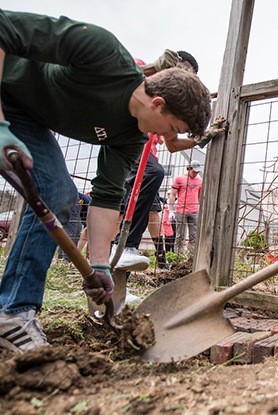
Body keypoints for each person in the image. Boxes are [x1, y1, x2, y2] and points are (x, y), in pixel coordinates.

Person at [0, 10, 211, 354]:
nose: (170, 138)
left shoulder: (132, 137)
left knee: (58, 195)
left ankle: (13, 312)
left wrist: (98, 264)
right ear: (158, 104)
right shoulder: (102, 53)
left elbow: (107, 195)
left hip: (26, 116)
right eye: (174, 128)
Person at [109, 51, 226, 272]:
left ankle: (123, 255)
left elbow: (171, 144)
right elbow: (119, 75)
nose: (184, 80)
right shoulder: (143, 70)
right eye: (182, 72)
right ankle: (121, 247)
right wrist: (155, 67)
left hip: (146, 155)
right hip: (124, 145)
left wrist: (202, 137)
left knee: (141, 199)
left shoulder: (172, 107)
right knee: (147, 177)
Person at [169, 161, 203, 254]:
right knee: (180, 236)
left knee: (194, 237)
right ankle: (177, 257)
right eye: (194, 171)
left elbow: (199, 196)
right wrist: (171, 210)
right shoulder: (179, 179)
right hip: (181, 211)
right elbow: (172, 194)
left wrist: (200, 208)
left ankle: (190, 258)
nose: (196, 174)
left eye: (197, 172)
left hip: (194, 212)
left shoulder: (200, 181)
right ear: (189, 168)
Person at [58, 192, 91, 262]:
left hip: (66, 196)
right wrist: (88, 254)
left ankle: (61, 259)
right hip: (73, 198)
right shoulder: (93, 208)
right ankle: (67, 261)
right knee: (74, 228)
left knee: (66, 230)